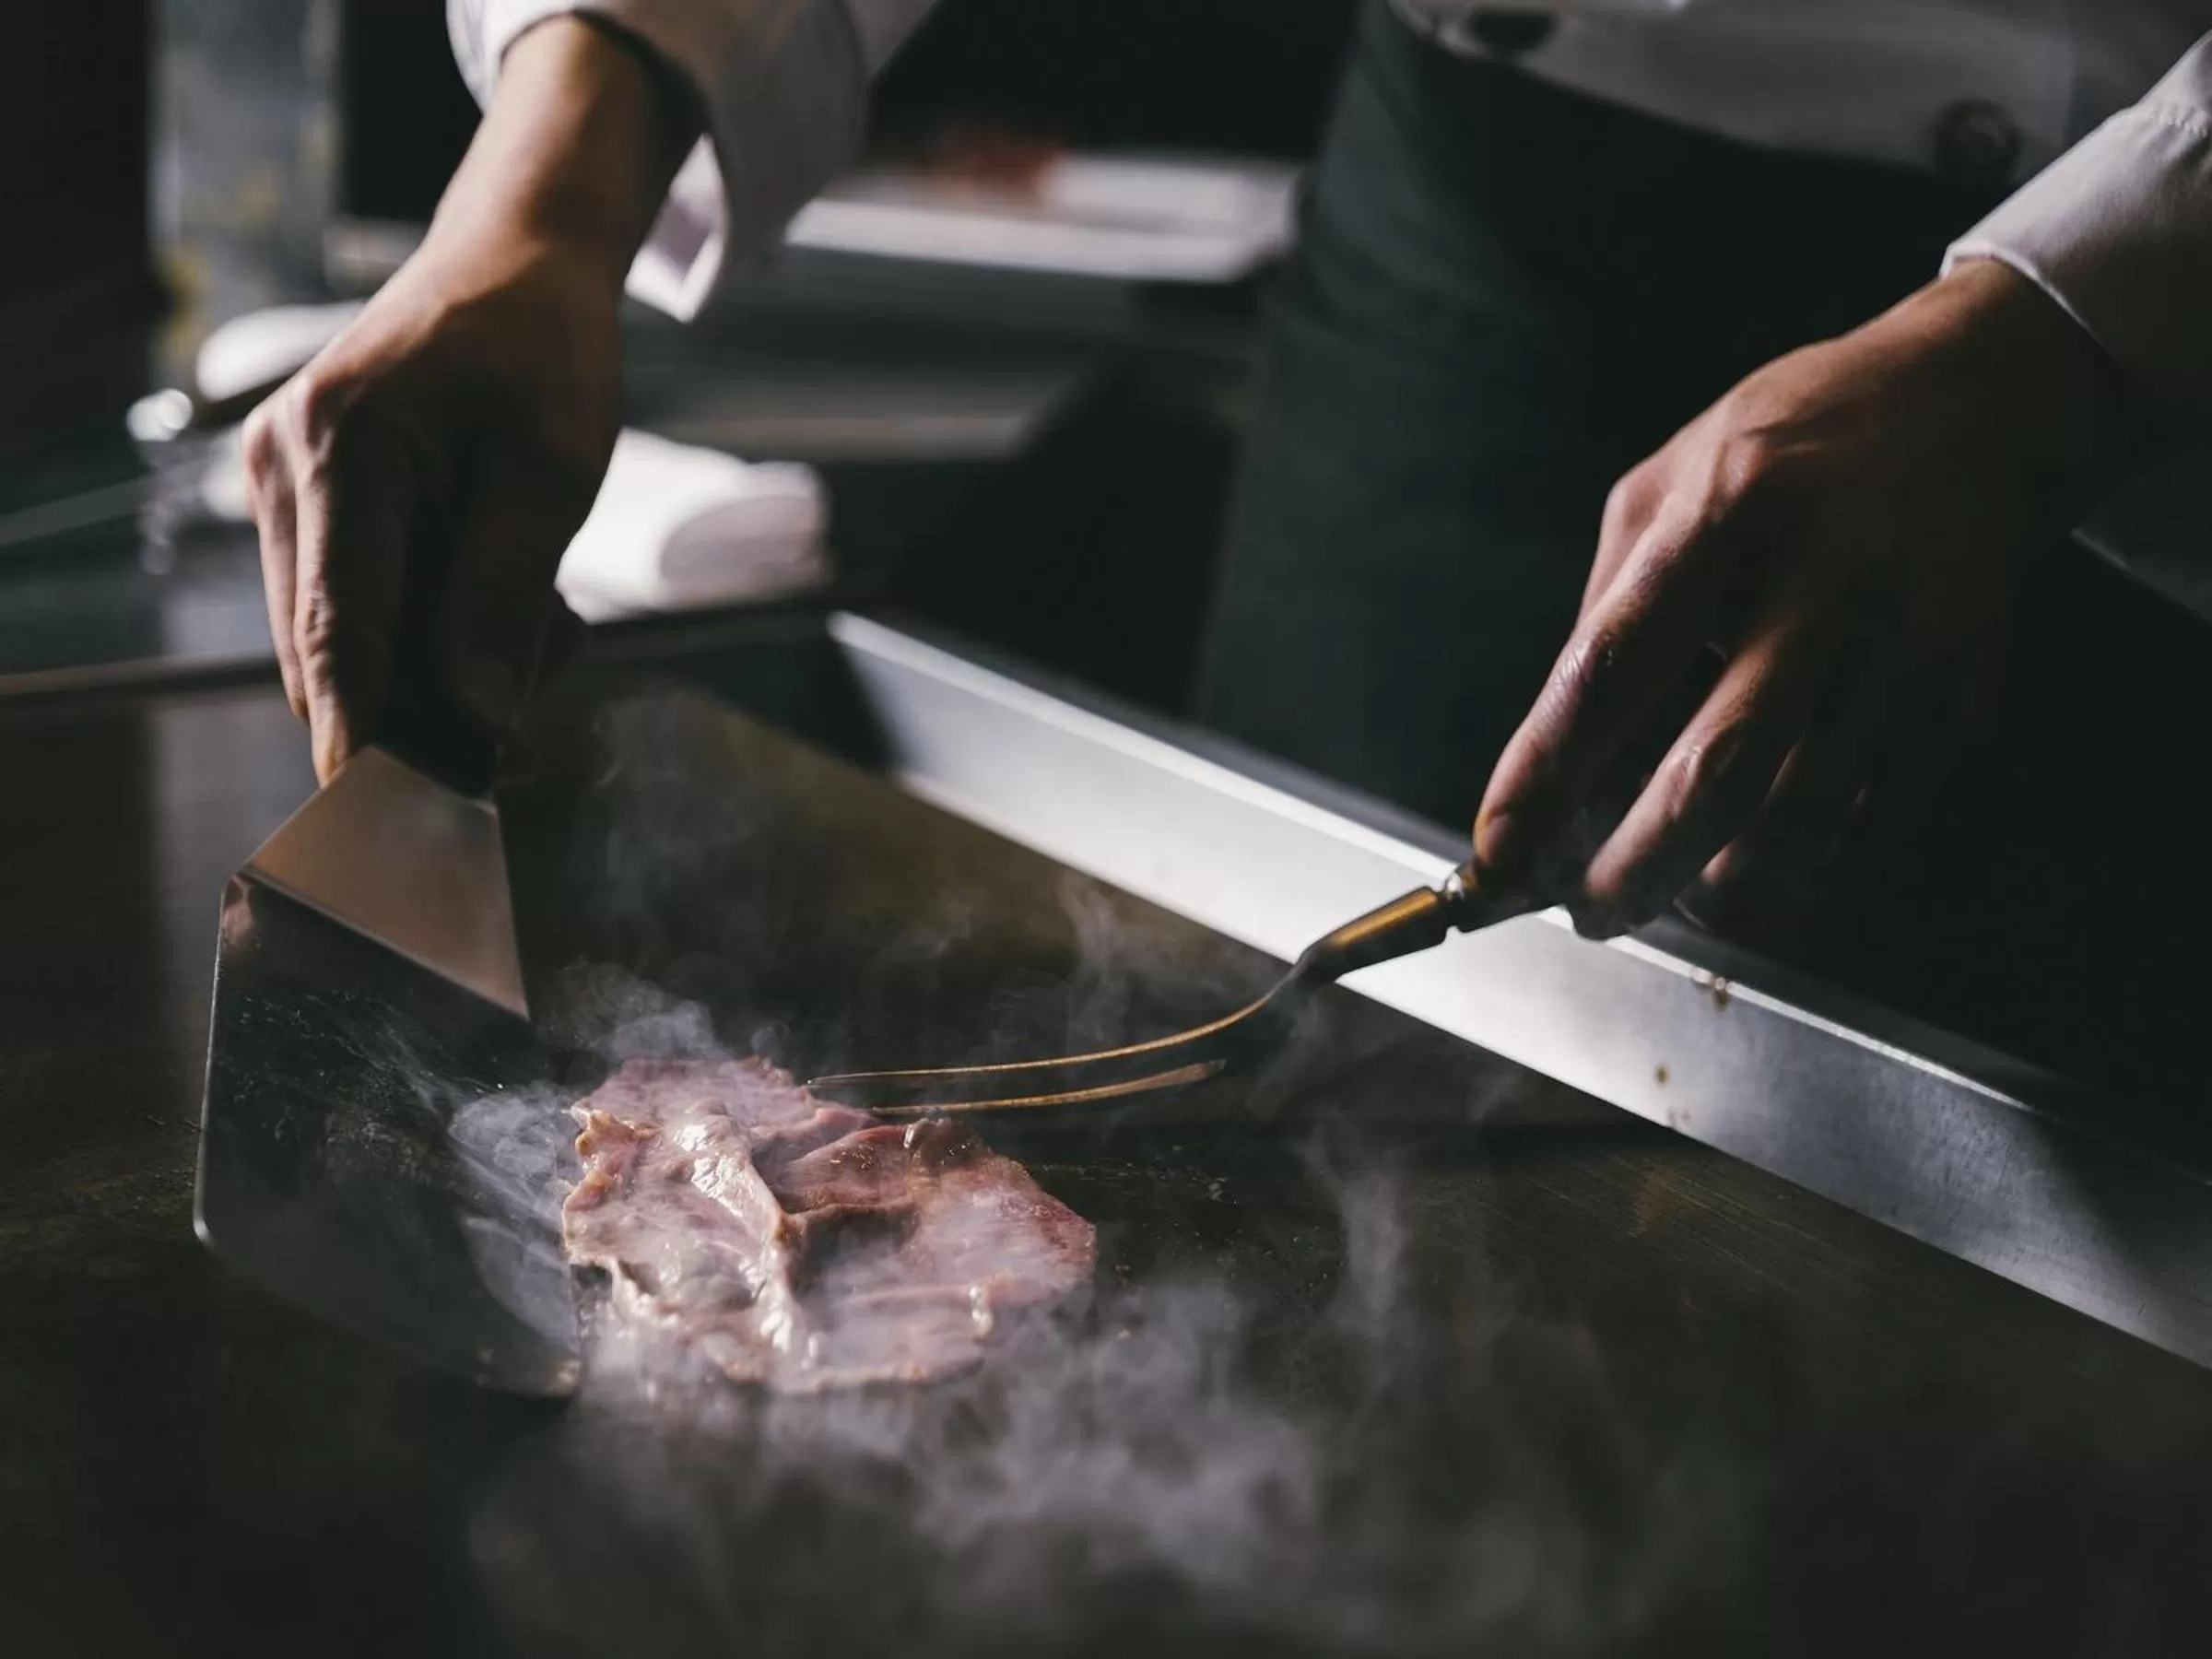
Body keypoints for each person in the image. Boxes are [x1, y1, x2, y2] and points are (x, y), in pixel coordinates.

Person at [242, 0, 2212, 935]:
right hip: (1484, 252)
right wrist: (553, 172)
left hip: (2138, 346)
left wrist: (2073, 327)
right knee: (1347, 1200)